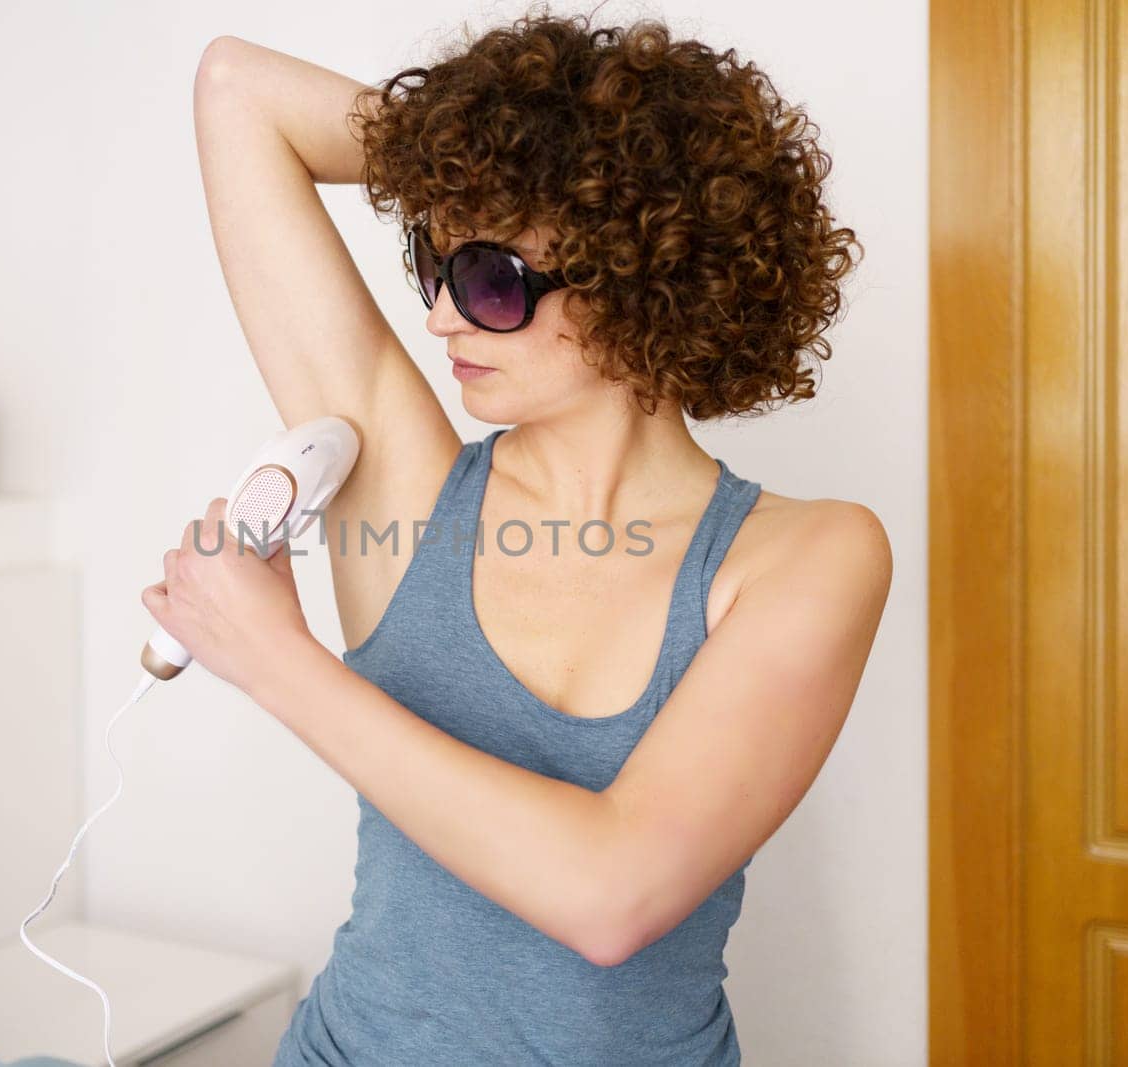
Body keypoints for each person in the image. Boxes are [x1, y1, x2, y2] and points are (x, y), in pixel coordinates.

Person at [144, 7, 892, 1064]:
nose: (443, 317)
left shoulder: (808, 557)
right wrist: (484, 162)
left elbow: (610, 892)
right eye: (433, 265)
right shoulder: (405, 490)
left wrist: (275, 659)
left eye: (491, 279)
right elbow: (237, 92)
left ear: (640, 271)